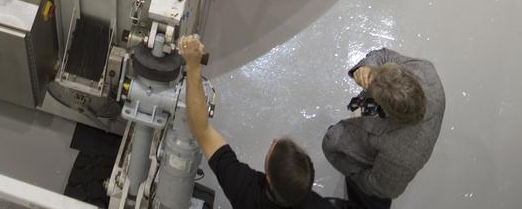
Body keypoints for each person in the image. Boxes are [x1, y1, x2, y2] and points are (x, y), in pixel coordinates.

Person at [179, 35, 334, 207]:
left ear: (268, 177)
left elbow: (201, 130)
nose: (274, 141)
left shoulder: (247, 191)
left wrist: (193, 65)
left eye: (273, 147)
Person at [322, 47, 445, 208]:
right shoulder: (424, 71)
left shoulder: (402, 156)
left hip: (373, 174)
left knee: (366, 198)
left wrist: (354, 173)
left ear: (386, 111)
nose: (368, 85)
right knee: (354, 109)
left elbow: (380, 187)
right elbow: (385, 55)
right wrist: (365, 67)